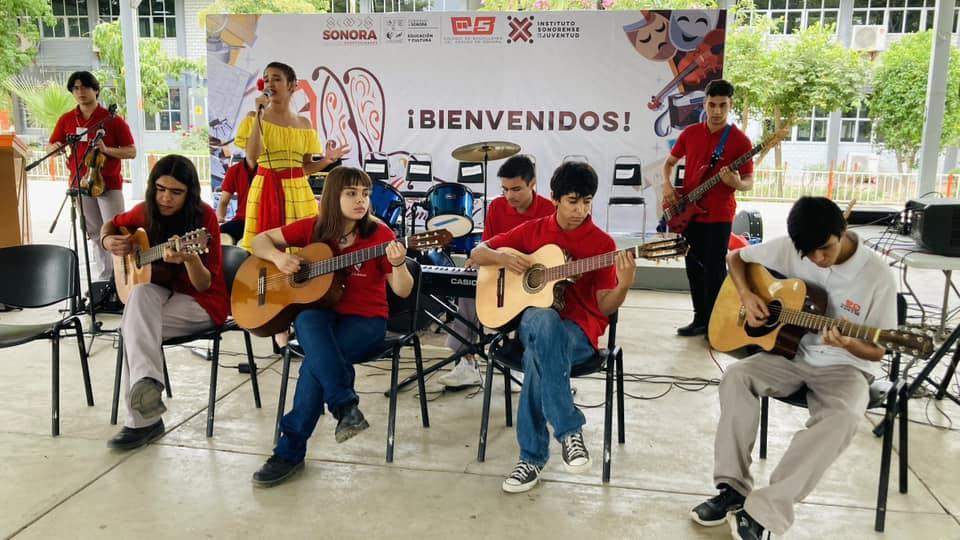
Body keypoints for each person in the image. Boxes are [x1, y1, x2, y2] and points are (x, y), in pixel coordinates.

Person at [691, 197, 897, 540]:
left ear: (842, 230)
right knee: (736, 378)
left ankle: (763, 510)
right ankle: (732, 489)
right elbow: (735, 258)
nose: (818, 258)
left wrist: (848, 343)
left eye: (825, 249)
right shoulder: (792, 247)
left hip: (846, 367)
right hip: (790, 354)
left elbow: (877, 351)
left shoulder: (878, 276)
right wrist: (747, 296)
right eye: (808, 253)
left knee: (844, 417)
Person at [470, 162, 636, 493]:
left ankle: (531, 458)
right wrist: (504, 260)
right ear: (555, 198)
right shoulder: (534, 231)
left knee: (538, 358)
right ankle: (568, 430)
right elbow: (478, 252)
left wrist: (625, 282)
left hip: (579, 335)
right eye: (573, 201)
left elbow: (604, 306)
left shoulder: (602, 244)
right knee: (544, 318)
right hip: (535, 323)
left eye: (587, 201)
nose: (581, 210)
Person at [250, 167, 413, 487]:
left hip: (367, 323)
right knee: (307, 318)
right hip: (322, 319)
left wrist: (398, 264)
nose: (360, 200)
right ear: (332, 196)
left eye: (365, 194)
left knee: (314, 363)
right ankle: (345, 406)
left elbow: (403, 290)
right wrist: (279, 259)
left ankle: (290, 450)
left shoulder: (380, 236)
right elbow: (260, 240)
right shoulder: (314, 229)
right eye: (351, 193)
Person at [100, 155, 228, 450]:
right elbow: (111, 224)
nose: (166, 198)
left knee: (132, 329)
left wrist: (190, 258)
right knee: (139, 296)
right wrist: (109, 241)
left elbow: (204, 283)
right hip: (158, 293)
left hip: (201, 301)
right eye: (160, 189)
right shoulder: (145, 212)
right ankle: (147, 395)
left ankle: (143, 423)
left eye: (175, 192)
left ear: (190, 192)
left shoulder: (203, 220)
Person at [438, 155, 554, 388]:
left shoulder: (549, 210)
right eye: (505, 189)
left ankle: (522, 360)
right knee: (470, 284)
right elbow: (486, 246)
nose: (510, 196)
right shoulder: (498, 207)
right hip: (500, 271)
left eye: (516, 189)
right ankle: (466, 361)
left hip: (532, 278)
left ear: (533, 184)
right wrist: (498, 258)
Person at [662, 79, 754, 337]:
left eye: (722, 105)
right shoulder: (690, 134)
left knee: (715, 271)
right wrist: (668, 187)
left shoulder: (740, 141)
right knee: (693, 267)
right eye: (712, 104)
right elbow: (668, 164)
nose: (716, 111)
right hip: (690, 214)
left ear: (730, 105)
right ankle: (699, 319)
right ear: (705, 103)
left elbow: (748, 182)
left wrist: (735, 181)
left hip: (720, 216)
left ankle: (717, 324)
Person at [235, 61, 350, 252]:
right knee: (264, 247)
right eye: (266, 80)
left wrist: (327, 160)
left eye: (276, 79)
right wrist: (259, 116)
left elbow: (304, 168)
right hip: (265, 188)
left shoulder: (304, 124)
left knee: (304, 247)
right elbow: (252, 158)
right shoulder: (254, 117)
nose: (270, 84)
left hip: (298, 191)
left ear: (292, 86)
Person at [49, 71, 136, 282]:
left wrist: (107, 149)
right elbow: (53, 144)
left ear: (96, 90)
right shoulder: (67, 119)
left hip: (109, 185)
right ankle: (105, 279)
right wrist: (58, 147)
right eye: (75, 88)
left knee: (115, 232)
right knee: (95, 234)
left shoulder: (112, 120)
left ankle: (122, 281)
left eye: (85, 87)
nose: (80, 92)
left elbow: (131, 151)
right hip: (80, 184)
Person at [216, 157, 255, 244]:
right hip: (242, 221)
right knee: (216, 235)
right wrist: (220, 217)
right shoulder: (235, 170)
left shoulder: (271, 169)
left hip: (266, 222)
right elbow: (223, 202)